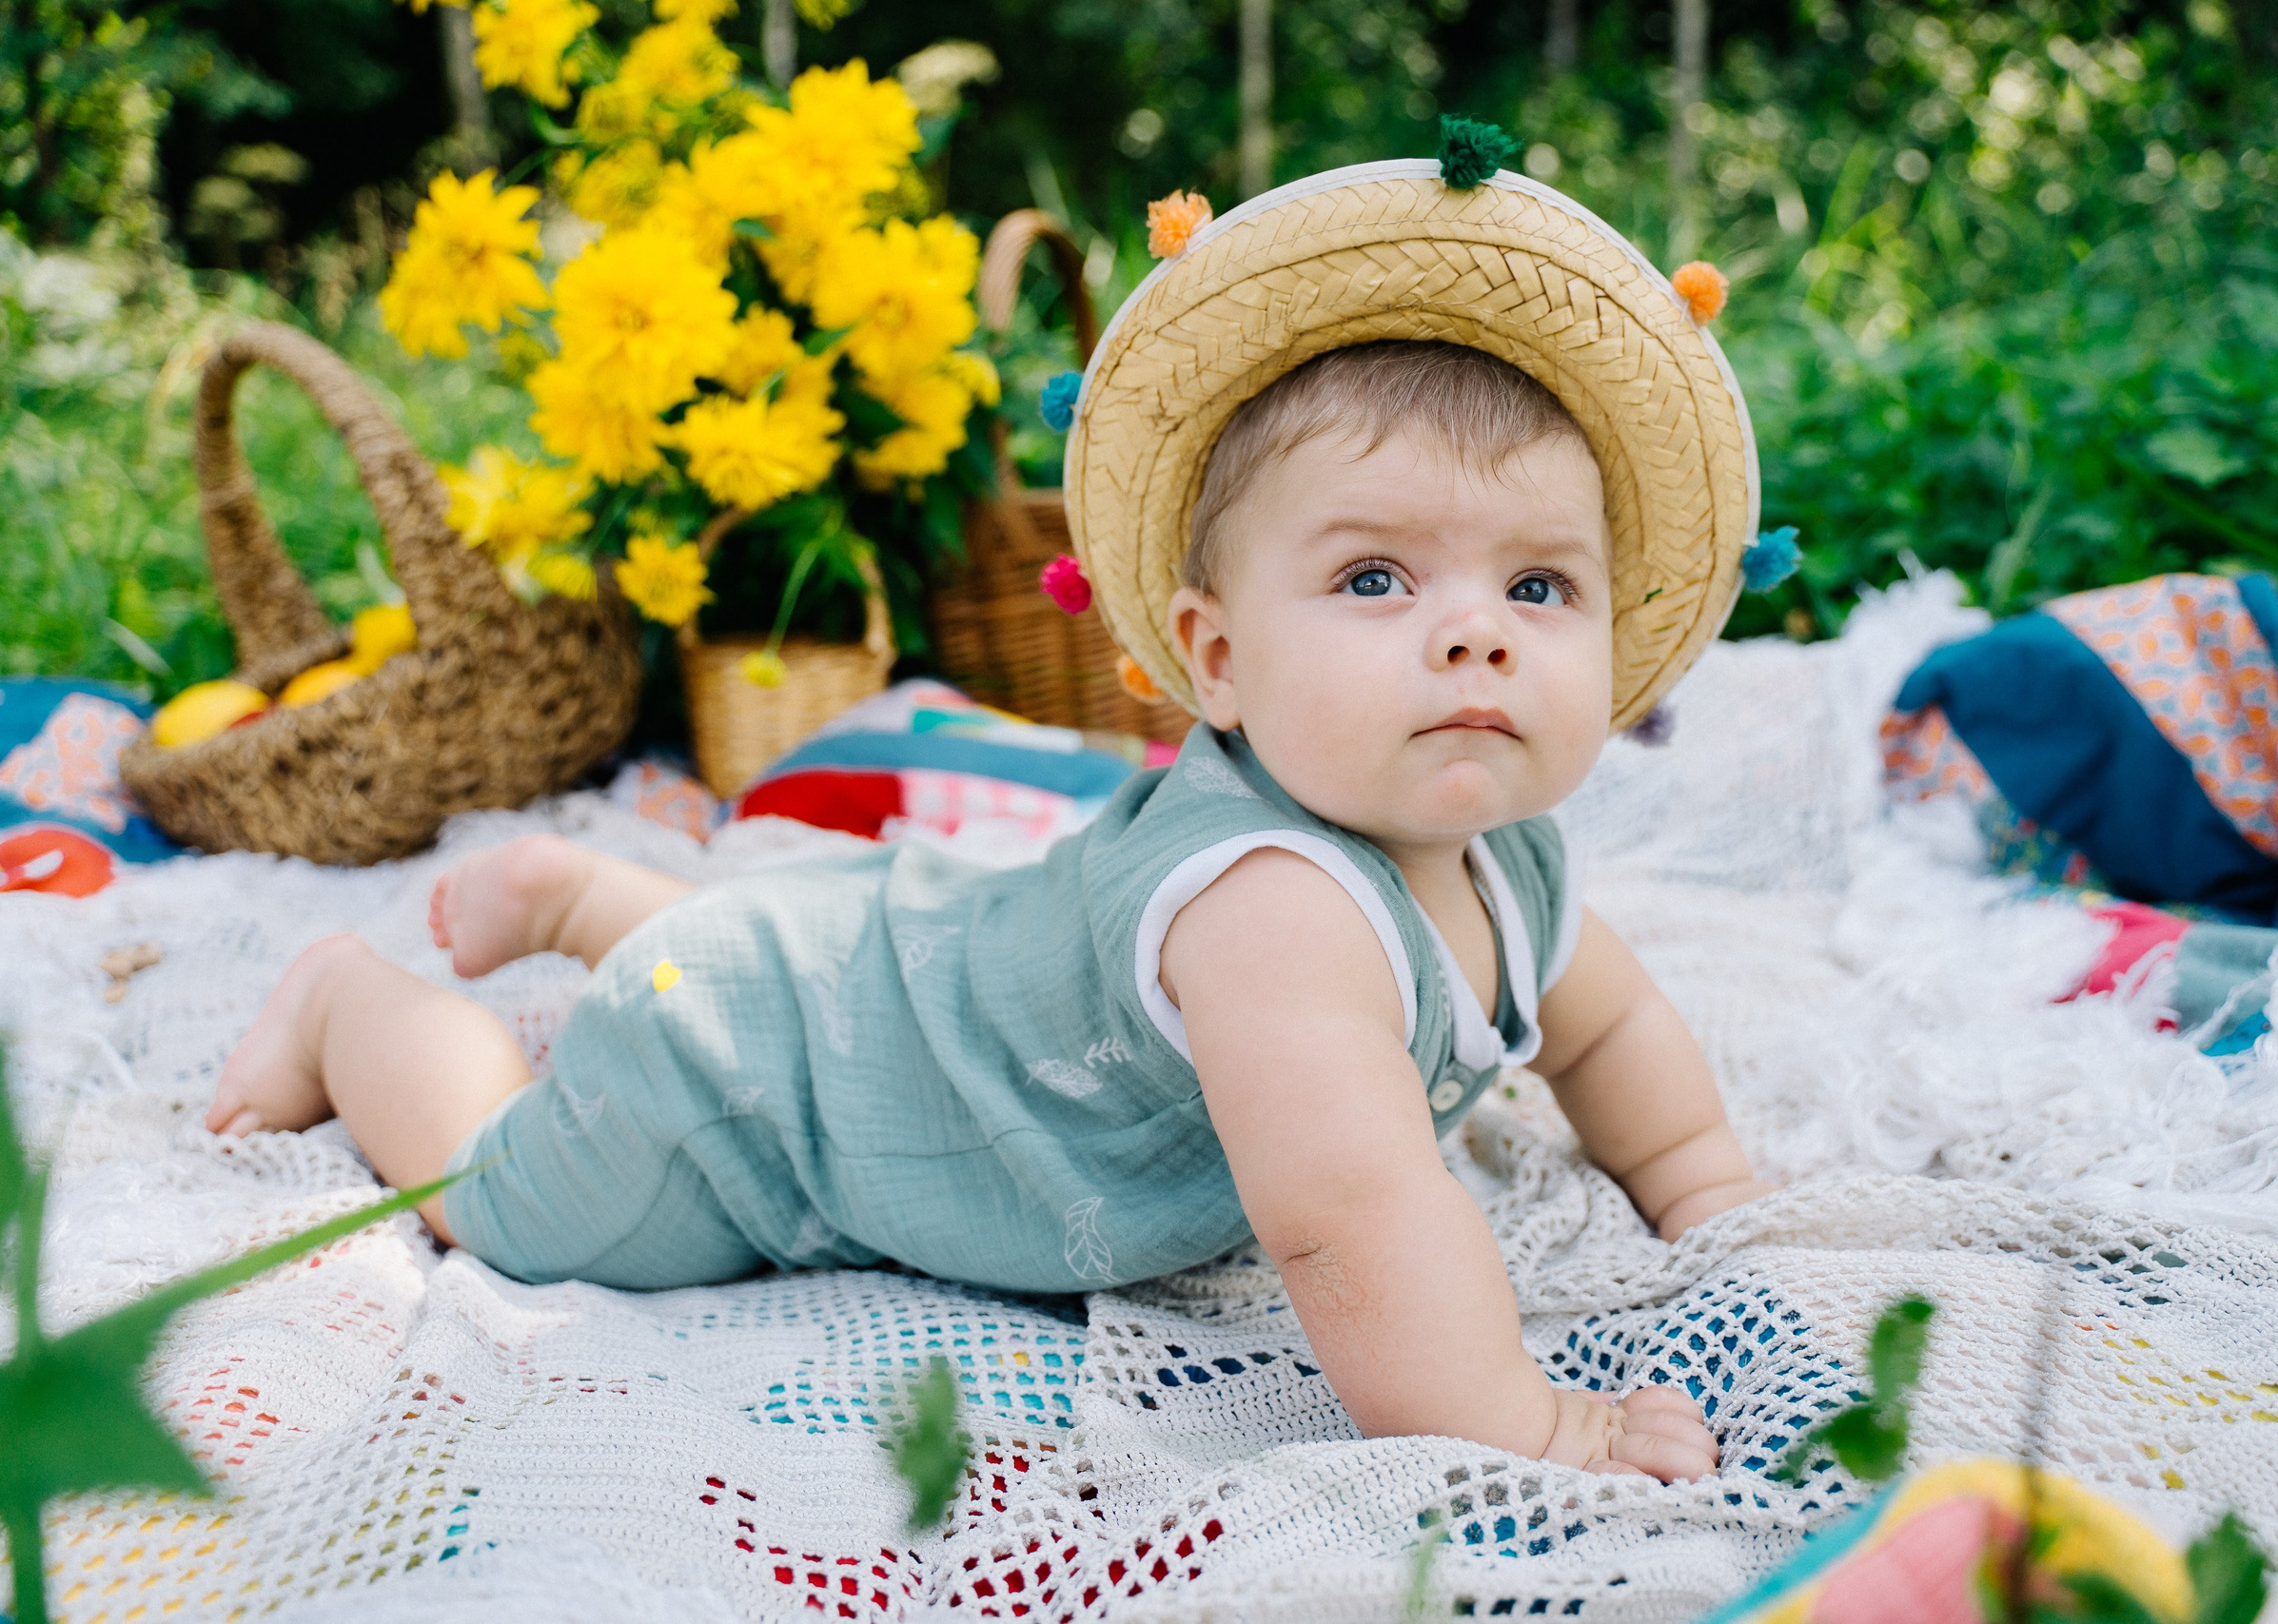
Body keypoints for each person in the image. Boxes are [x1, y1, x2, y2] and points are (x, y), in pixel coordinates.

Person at [211, 158, 1775, 1481]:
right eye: (1375, 579)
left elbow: (1612, 1027)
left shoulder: (1514, 858)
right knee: (506, 1202)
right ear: (1216, 660)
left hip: (881, 963)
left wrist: (1702, 1179)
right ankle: (355, 1010)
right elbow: (1355, 1227)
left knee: (829, 954)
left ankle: (591, 900)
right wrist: (1532, 1422)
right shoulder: (1275, 912)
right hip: (755, 1096)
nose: (1475, 633)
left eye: (1538, 586)